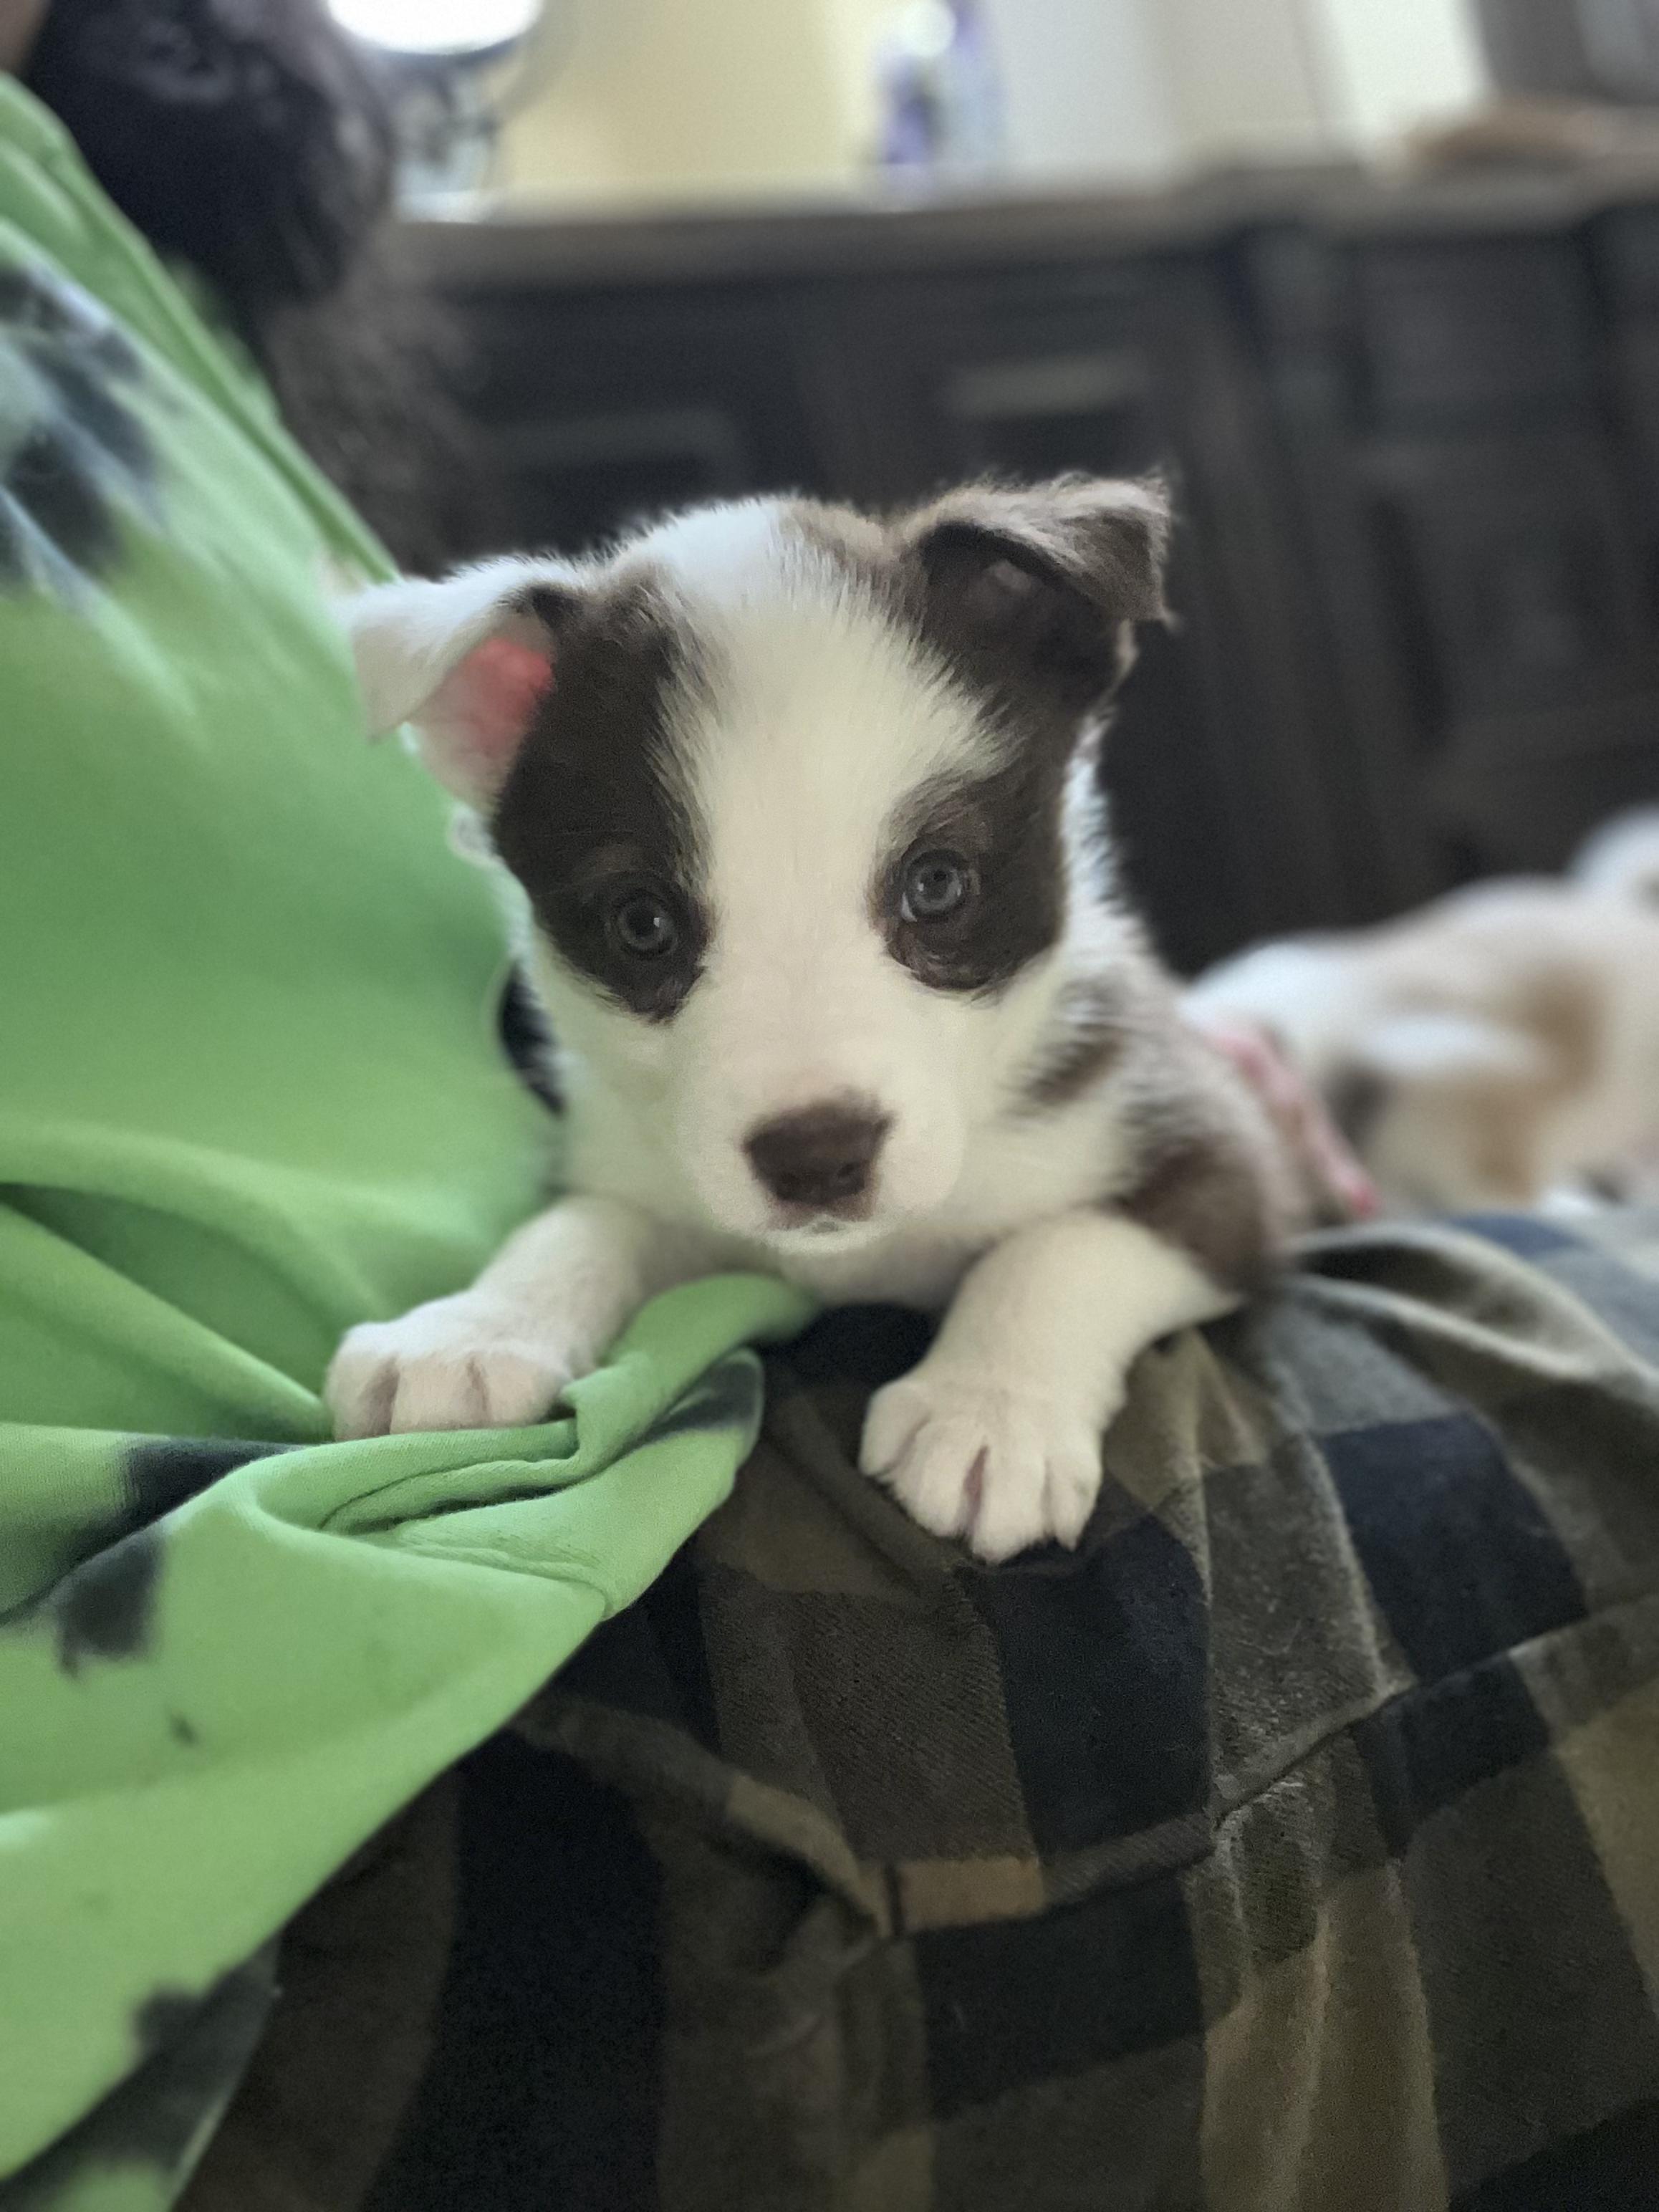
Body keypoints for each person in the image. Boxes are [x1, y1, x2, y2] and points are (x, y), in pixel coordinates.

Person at [2, 10, 1658, 2208]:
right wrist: (549, 1277)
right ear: (484, 747)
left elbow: (1207, 1191)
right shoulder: (505, 714)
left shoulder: (104, 215)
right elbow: (626, 1207)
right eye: (651, 931)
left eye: (933, 894)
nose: (802, 1092)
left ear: (1062, 683)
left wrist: (1023, 1340)